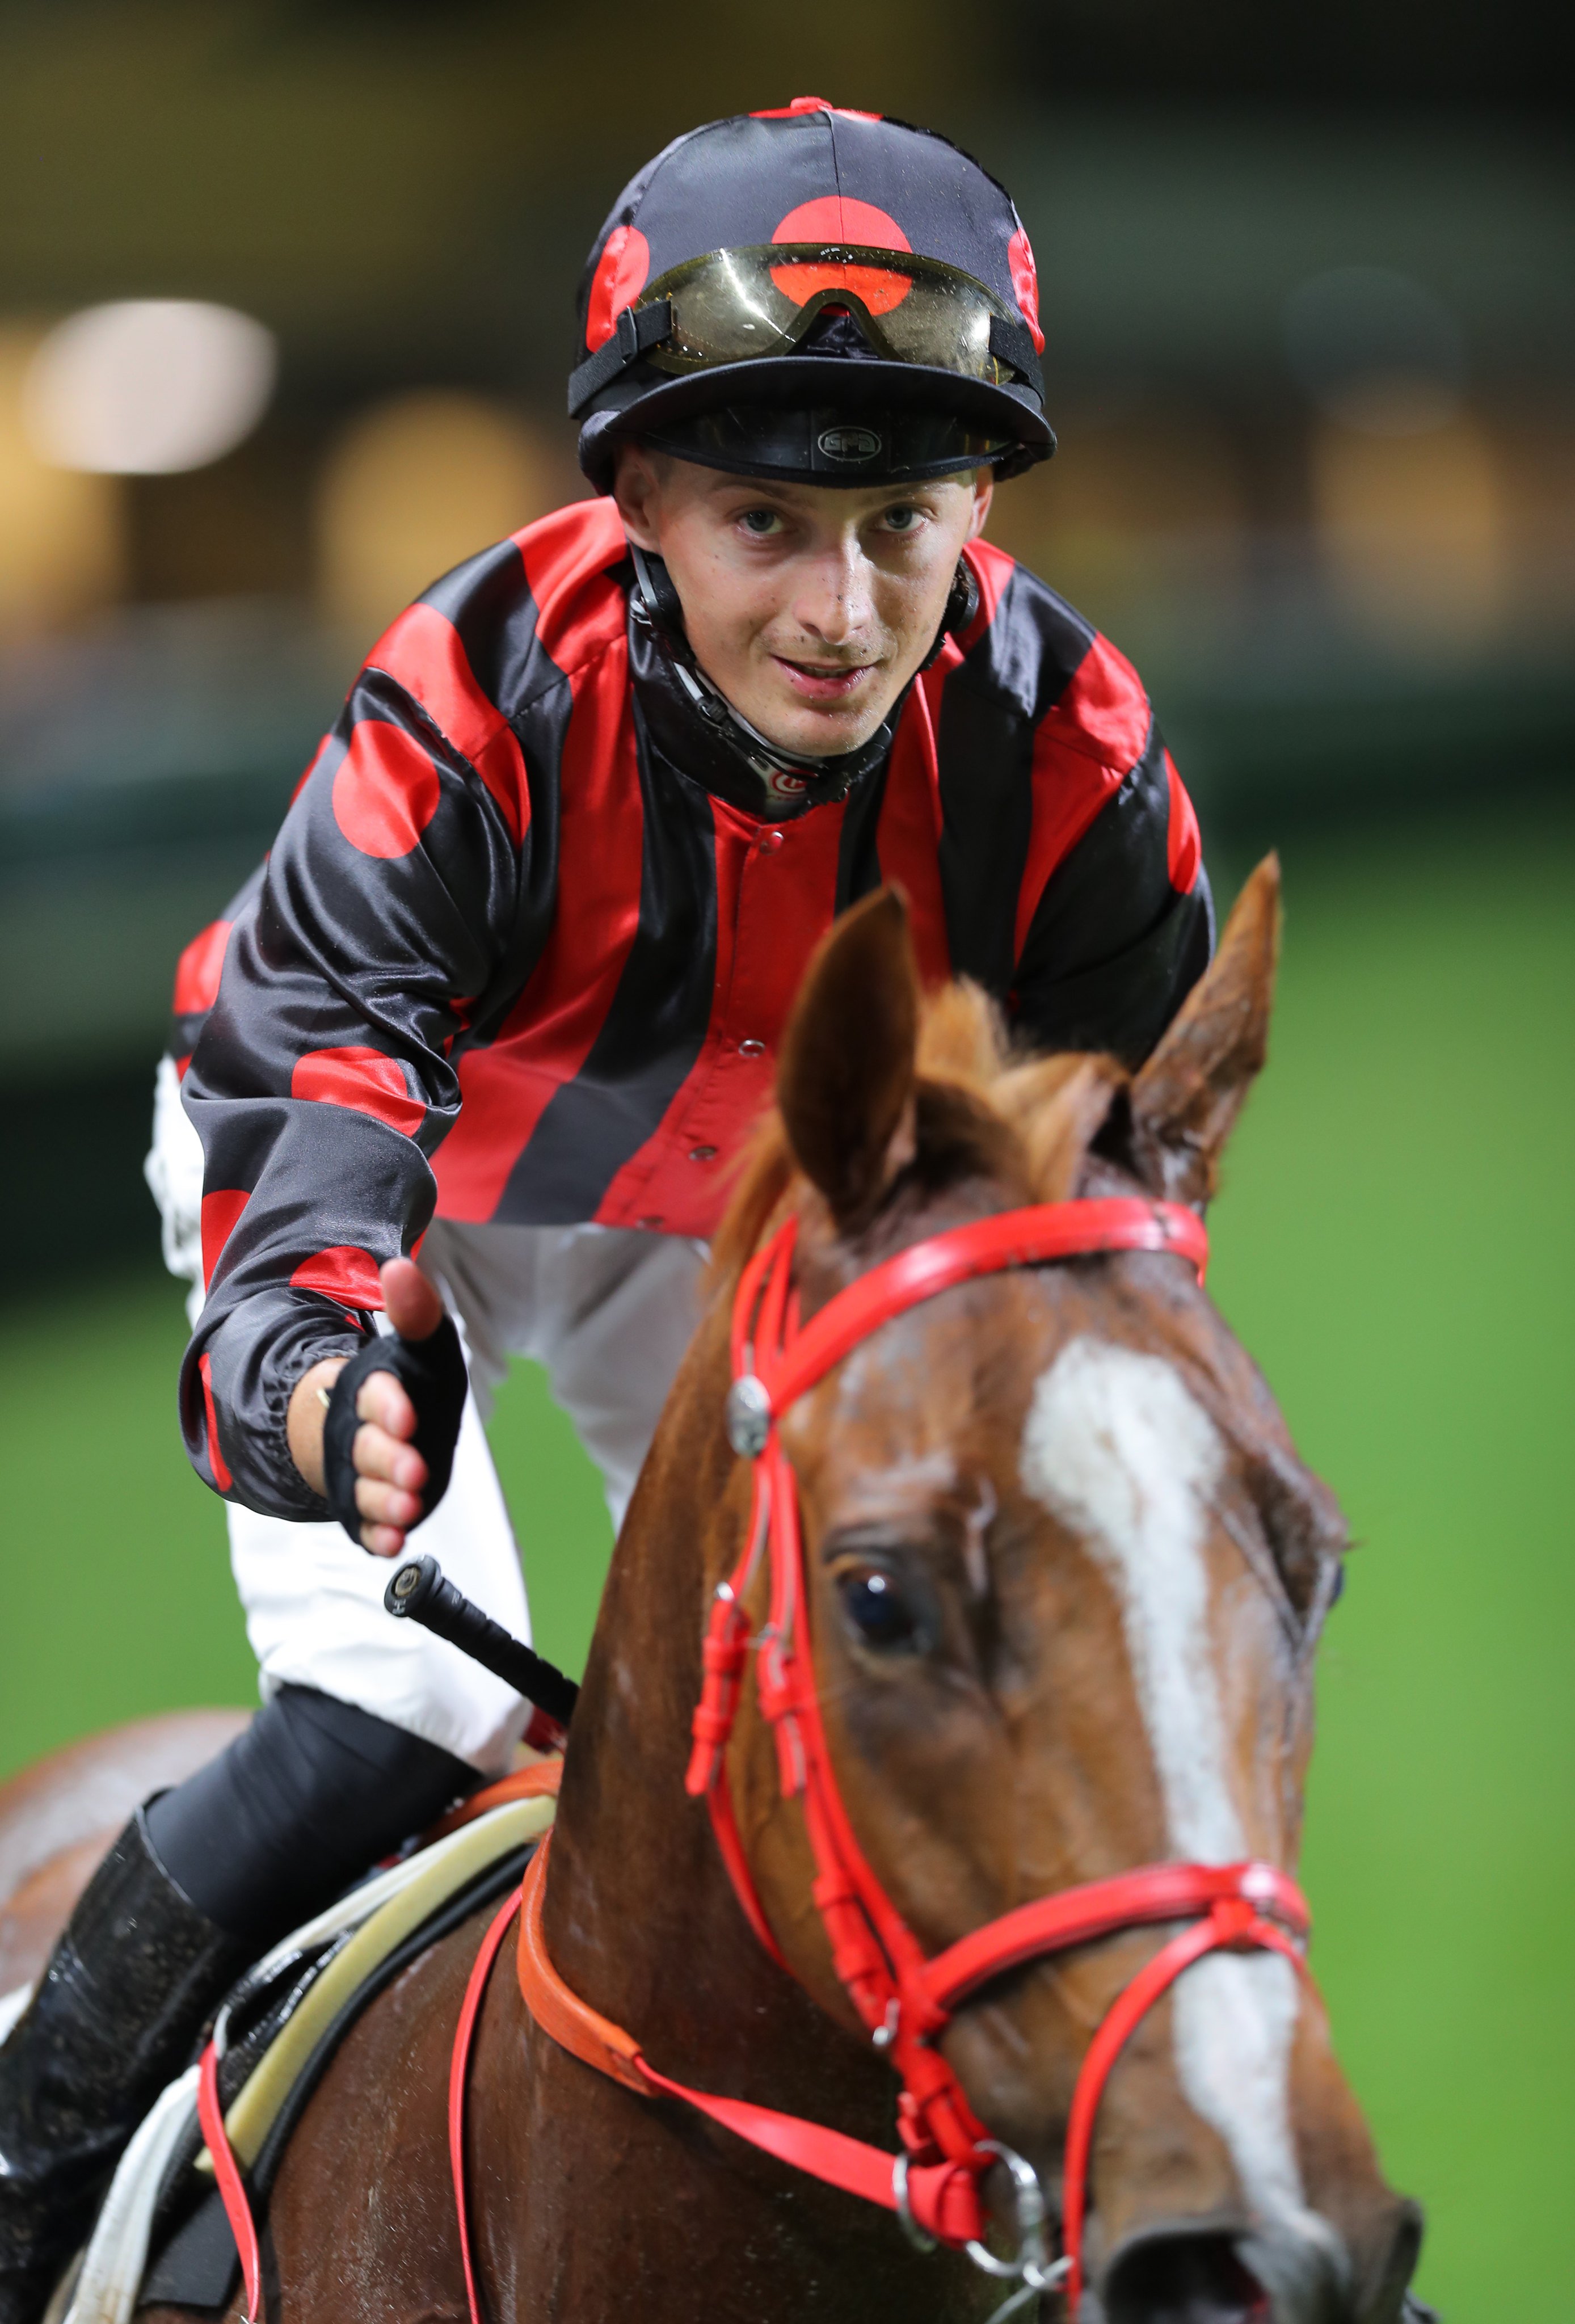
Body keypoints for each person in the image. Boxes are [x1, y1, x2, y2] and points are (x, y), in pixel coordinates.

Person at [0, 98, 1212, 2320]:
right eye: (766, 518)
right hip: (397, 1189)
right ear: (635, 495)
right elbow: (320, 1061)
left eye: (903, 523)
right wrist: (299, 1349)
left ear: (978, 513)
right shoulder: (471, 696)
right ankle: (29, 2160)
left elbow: (1100, 1183)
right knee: (389, 1715)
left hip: (715, 1200)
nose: (841, 611)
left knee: (863, 1710)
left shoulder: (1077, 757)